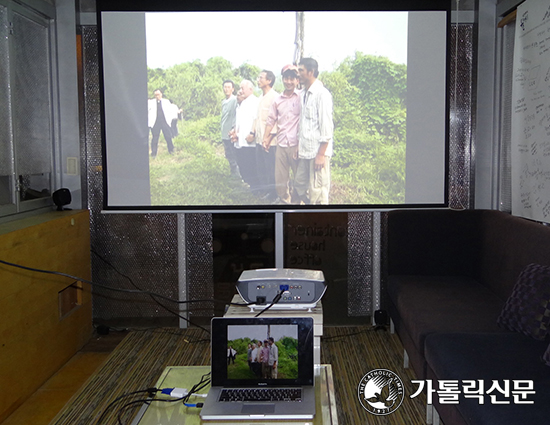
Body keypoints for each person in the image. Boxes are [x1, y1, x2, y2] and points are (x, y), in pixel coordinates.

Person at [295, 58, 334, 204]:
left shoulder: (322, 94)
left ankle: (319, 221)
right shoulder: (304, 93)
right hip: (306, 150)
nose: (298, 74)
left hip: (318, 152)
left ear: (311, 72)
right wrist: (299, 146)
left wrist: (321, 154)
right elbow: (304, 123)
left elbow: (326, 127)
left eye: (301, 71)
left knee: (318, 191)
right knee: (299, 185)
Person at [264, 64, 302, 204]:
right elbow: (271, 120)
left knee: (299, 177)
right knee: (280, 178)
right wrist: (265, 139)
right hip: (281, 143)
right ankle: (285, 200)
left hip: (296, 144)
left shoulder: (301, 97)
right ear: (283, 79)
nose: (289, 82)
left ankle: (298, 203)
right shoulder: (277, 100)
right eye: (286, 78)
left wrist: (300, 144)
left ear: (297, 80)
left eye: (292, 79)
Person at [253, 70, 279, 200]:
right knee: (262, 167)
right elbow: (257, 119)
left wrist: (268, 138)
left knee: (271, 169)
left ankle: (275, 194)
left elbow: (276, 120)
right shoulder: (260, 98)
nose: (258, 80)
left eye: (261, 77)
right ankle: (268, 192)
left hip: (270, 141)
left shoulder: (275, 97)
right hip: (259, 140)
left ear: (269, 81)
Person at [230, 80, 259, 190]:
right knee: (243, 165)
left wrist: (253, 133)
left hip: (249, 141)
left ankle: (256, 188)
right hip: (239, 140)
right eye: (240, 88)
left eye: (243, 88)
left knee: (251, 165)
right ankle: (250, 185)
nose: (240, 91)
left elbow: (257, 120)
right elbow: (240, 122)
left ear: (251, 89)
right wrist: (235, 132)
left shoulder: (255, 102)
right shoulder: (241, 104)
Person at [148, 89, 177, 156]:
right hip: (155, 122)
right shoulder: (151, 102)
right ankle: (154, 153)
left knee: (168, 136)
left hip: (164, 122)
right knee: (155, 138)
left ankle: (171, 150)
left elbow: (170, 111)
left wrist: (170, 120)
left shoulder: (166, 102)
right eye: (155, 95)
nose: (157, 96)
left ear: (161, 94)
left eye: (158, 94)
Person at [221, 80, 240, 178]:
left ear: (233, 89)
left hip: (231, 132)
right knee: (228, 153)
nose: (226, 89)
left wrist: (234, 128)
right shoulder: (224, 102)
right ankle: (233, 173)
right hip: (224, 132)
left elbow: (237, 115)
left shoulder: (234, 100)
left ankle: (237, 175)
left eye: (229, 87)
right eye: (225, 87)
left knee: (233, 153)